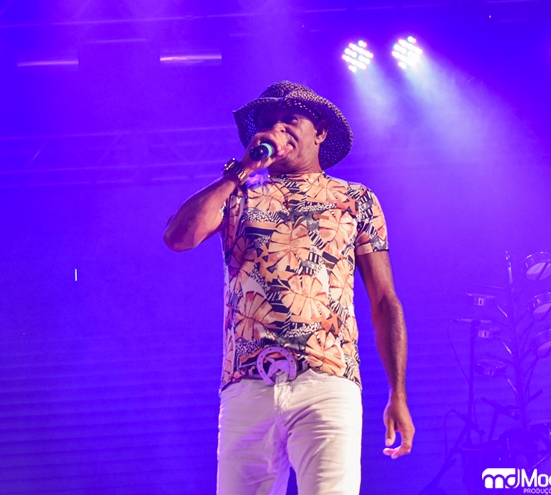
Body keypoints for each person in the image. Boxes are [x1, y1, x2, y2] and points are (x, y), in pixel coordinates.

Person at [164, 81, 414, 494]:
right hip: (247, 385)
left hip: (326, 381)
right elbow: (178, 238)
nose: (276, 128)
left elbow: (385, 300)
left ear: (320, 132)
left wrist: (397, 393)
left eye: (289, 119)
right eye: (268, 122)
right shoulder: (239, 193)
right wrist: (241, 171)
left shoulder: (356, 200)